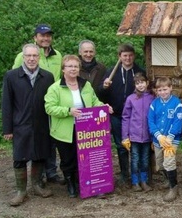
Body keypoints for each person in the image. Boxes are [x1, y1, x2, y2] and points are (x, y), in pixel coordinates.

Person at [44, 55, 111, 198]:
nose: (73, 69)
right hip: (65, 130)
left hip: (86, 129)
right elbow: (49, 108)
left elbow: (94, 102)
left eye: (75, 66)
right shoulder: (55, 88)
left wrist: (104, 107)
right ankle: (71, 183)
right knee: (68, 159)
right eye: (70, 66)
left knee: (86, 158)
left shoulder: (85, 85)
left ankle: (87, 184)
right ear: (63, 69)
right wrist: (68, 111)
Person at [2, 44, 55, 206]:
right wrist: (7, 129)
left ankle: (37, 186)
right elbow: (6, 104)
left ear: (39, 57)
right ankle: (21, 191)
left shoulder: (47, 76)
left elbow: (52, 102)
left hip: (41, 123)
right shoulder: (11, 76)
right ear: (23, 57)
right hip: (20, 124)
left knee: (39, 154)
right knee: (19, 157)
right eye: (28, 56)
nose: (31, 59)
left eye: (35, 56)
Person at [13, 24, 63, 184]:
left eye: (48, 35)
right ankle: (37, 178)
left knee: (50, 139)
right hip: (30, 105)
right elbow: (15, 79)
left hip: (52, 104)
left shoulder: (58, 56)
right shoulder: (25, 55)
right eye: (42, 35)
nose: (45, 38)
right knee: (32, 140)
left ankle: (51, 172)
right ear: (35, 37)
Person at [99, 43, 146, 186]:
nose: (128, 58)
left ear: (134, 56)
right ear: (119, 57)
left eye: (130, 55)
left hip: (136, 117)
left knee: (139, 145)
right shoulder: (110, 72)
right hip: (117, 115)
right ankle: (125, 174)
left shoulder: (140, 72)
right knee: (121, 146)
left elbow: (146, 91)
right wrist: (104, 87)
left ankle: (139, 175)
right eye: (125, 55)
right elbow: (100, 94)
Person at [148, 77, 182, 202]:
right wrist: (158, 135)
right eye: (160, 90)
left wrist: (170, 137)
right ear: (157, 91)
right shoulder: (154, 104)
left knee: (169, 162)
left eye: (165, 89)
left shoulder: (176, 103)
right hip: (158, 139)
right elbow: (151, 121)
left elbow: (177, 121)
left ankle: (173, 187)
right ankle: (168, 178)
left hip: (171, 140)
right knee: (160, 163)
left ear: (170, 88)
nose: (163, 92)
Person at [121, 73, 155, 193]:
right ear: (135, 85)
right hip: (134, 136)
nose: (140, 85)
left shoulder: (152, 97)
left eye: (142, 82)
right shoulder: (131, 98)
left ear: (147, 83)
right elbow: (126, 117)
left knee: (145, 159)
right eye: (137, 83)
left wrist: (154, 137)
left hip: (147, 135)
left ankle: (144, 181)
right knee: (135, 159)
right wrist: (125, 136)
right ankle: (135, 182)